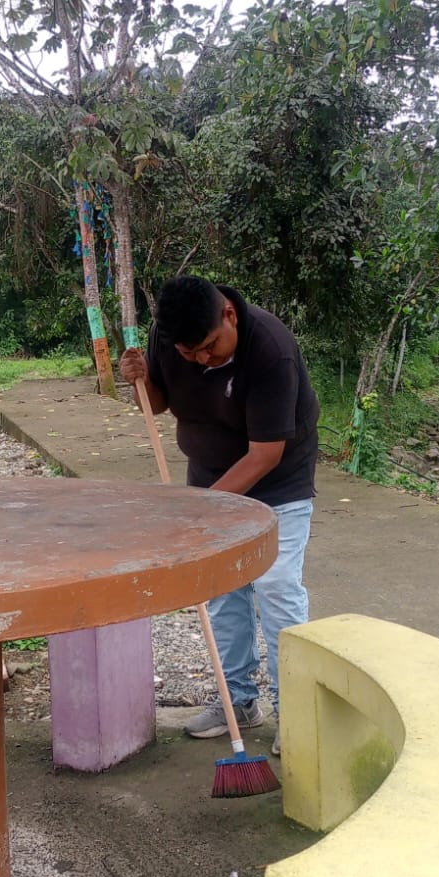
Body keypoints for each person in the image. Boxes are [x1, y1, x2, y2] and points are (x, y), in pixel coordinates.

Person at [119, 275, 318, 755]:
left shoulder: (271, 350)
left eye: (209, 348)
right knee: (223, 590)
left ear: (229, 314)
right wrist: (141, 380)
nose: (201, 360)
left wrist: (202, 509)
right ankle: (239, 702)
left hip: (278, 486)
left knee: (276, 586)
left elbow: (265, 454)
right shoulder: (173, 335)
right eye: (189, 354)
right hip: (209, 479)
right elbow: (160, 403)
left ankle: (295, 714)